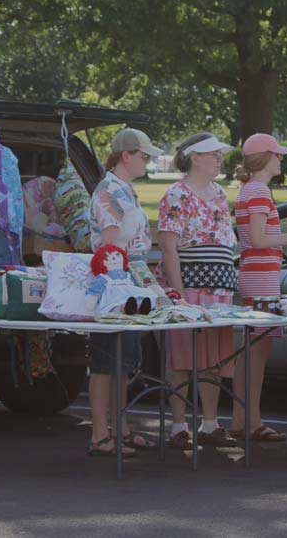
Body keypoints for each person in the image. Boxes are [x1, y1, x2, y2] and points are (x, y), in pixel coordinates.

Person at [228, 133, 287, 442]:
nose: (281, 159)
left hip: (256, 272)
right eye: (277, 155)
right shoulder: (259, 191)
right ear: (264, 158)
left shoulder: (250, 190)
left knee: (252, 351)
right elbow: (259, 238)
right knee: (257, 351)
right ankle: (250, 421)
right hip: (261, 275)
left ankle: (243, 419)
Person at [158, 133, 238, 450]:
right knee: (181, 355)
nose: (220, 159)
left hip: (219, 286)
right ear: (196, 158)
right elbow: (168, 247)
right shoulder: (176, 195)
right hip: (190, 283)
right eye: (213, 154)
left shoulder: (218, 193)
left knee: (214, 358)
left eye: (220, 154)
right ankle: (179, 426)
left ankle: (209, 423)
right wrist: (177, 294)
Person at [86, 128, 163, 458]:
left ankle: (121, 427)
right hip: (115, 285)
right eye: (145, 156)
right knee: (106, 360)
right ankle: (100, 434)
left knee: (124, 361)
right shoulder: (108, 192)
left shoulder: (124, 191)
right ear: (126, 155)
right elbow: (113, 246)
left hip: (130, 281)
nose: (148, 162)